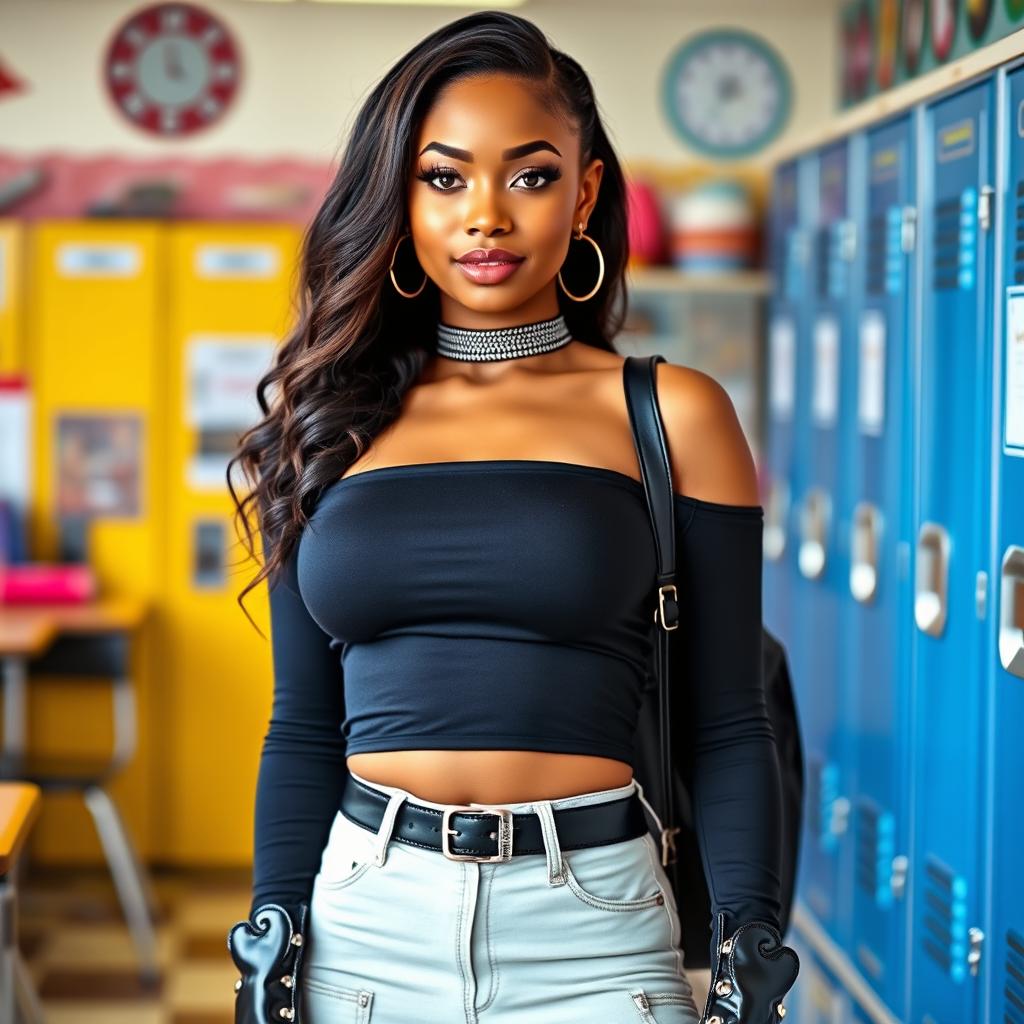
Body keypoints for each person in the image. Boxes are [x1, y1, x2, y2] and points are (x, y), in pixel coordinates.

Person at [225, 11, 798, 1023]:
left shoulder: (672, 413)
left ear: (583, 192)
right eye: (444, 178)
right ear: (399, 198)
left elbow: (727, 719)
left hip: (593, 929)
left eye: (528, 176)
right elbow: (302, 725)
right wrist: (272, 935)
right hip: (364, 924)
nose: (484, 215)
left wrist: (745, 950)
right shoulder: (326, 422)